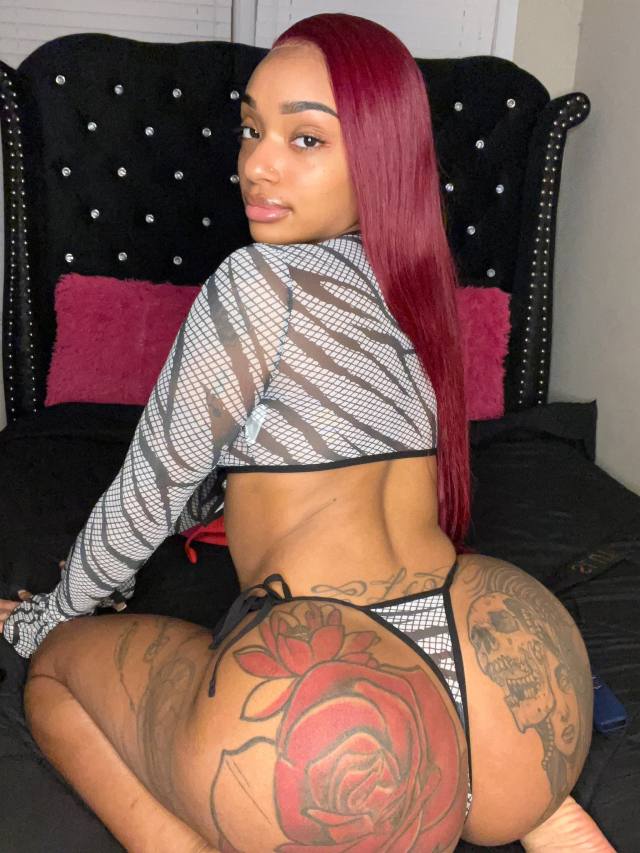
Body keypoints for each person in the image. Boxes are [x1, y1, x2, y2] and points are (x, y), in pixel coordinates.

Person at [0, 13, 615, 852]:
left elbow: (146, 495)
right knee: (513, 787)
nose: (257, 163)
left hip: (334, 713)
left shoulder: (257, 283)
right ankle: (541, 815)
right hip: (508, 685)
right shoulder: (415, 288)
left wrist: (48, 617)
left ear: (379, 158)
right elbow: (290, 458)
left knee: (54, 674)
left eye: (306, 139)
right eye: (251, 129)